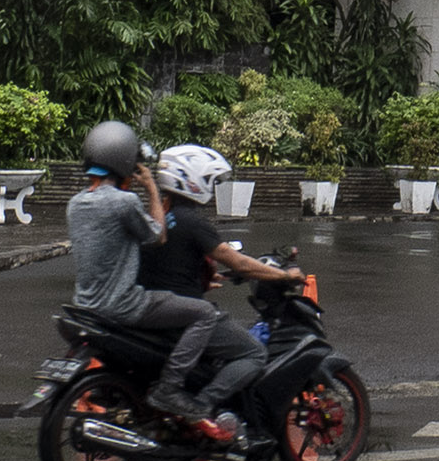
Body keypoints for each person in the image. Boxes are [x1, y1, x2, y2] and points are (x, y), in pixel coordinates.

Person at [68, 121, 236, 439]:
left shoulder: (75, 204)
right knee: (203, 314)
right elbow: (157, 235)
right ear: (123, 164)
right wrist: (152, 190)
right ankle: (171, 389)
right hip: (125, 305)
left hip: (87, 305)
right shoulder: (124, 202)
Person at [139, 144, 311, 436]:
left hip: (160, 307)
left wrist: (210, 277)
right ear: (193, 180)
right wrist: (284, 274)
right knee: (254, 353)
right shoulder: (193, 221)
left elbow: (174, 263)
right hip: (184, 314)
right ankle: (201, 407)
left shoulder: (162, 217)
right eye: (210, 180)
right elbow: (239, 262)